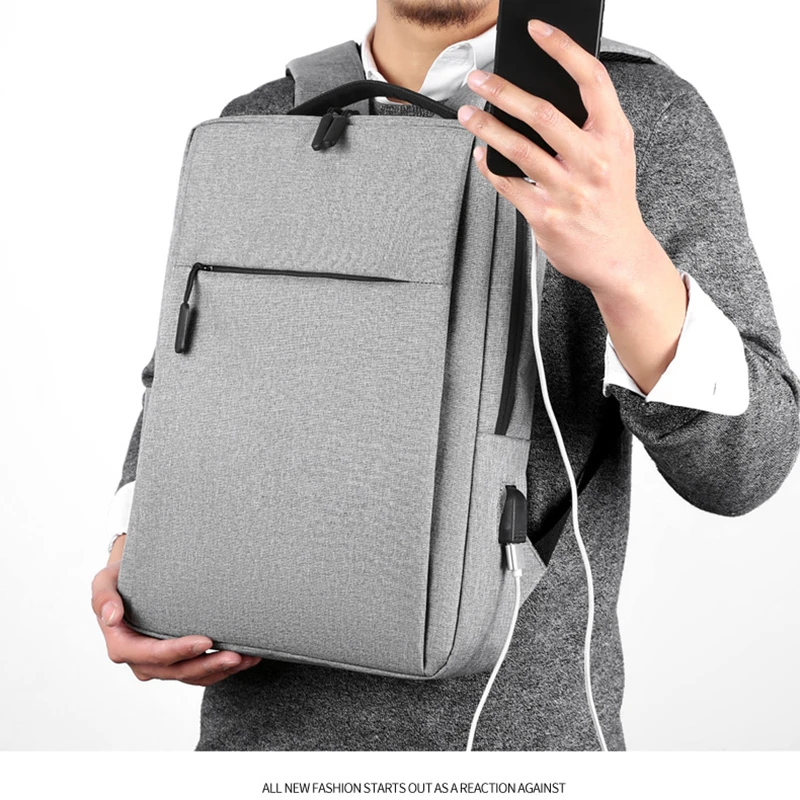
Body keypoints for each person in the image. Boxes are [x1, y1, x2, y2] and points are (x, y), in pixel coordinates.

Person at [91, 0, 800, 750]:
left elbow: (745, 470)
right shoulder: (263, 119)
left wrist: (630, 269)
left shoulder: (619, 116)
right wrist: (137, 552)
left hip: (516, 752)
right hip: (254, 744)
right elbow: (186, 372)